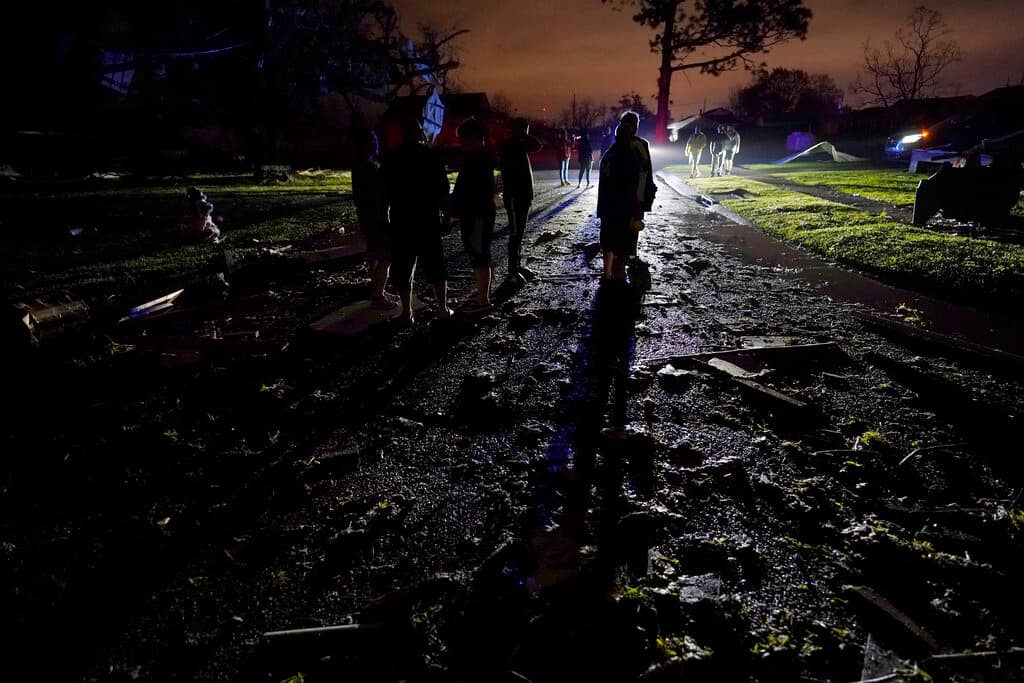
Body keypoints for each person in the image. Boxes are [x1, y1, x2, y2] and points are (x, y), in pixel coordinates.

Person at [380, 117, 453, 325]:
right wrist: (446, 217)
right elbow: (443, 193)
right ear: (420, 134)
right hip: (427, 220)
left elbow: (382, 193)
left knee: (403, 268)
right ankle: (442, 309)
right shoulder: (432, 158)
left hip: (401, 220)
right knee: (436, 267)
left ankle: (406, 312)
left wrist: (384, 217)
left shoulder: (392, 158)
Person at [596, 111, 656, 284]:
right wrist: (637, 206)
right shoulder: (629, 152)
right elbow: (633, 180)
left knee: (608, 239)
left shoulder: (610, 152)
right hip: (626, 204)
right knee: (625, 240)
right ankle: (619, 276)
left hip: (608, 205)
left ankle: (607, 274)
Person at [451, 118, 496, 313]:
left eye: (463, 140)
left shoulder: (477, 159)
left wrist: (455, 208)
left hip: (477, 214)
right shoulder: (479, 157)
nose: (461, 144)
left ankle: (483, 300)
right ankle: (482, 296)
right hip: (478, 212)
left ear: (474, 139)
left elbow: (471, 191)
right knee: (481, 254)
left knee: (479, 255)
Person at [351, 127, 397, 309]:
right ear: (367, 145)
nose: (377, 143)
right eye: (374, 140)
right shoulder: (370, 168)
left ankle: (378, 289)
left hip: (366, 216)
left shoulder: (359, 166)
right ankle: (378, 295)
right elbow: (380, 195)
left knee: (374, 254)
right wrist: (384, 218)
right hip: (376, 217)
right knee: (386, 257)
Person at [497, 117, 544, 284]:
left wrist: (522, 135)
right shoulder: (511, 144)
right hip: (515, 195)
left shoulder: (517, 143)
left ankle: (516, 265)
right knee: (516, 234)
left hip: (523, 195)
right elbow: (537, 144)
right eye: (526, 129)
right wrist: (521, 134)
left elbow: (537, 144)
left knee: (520, 233)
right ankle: (512, 271)